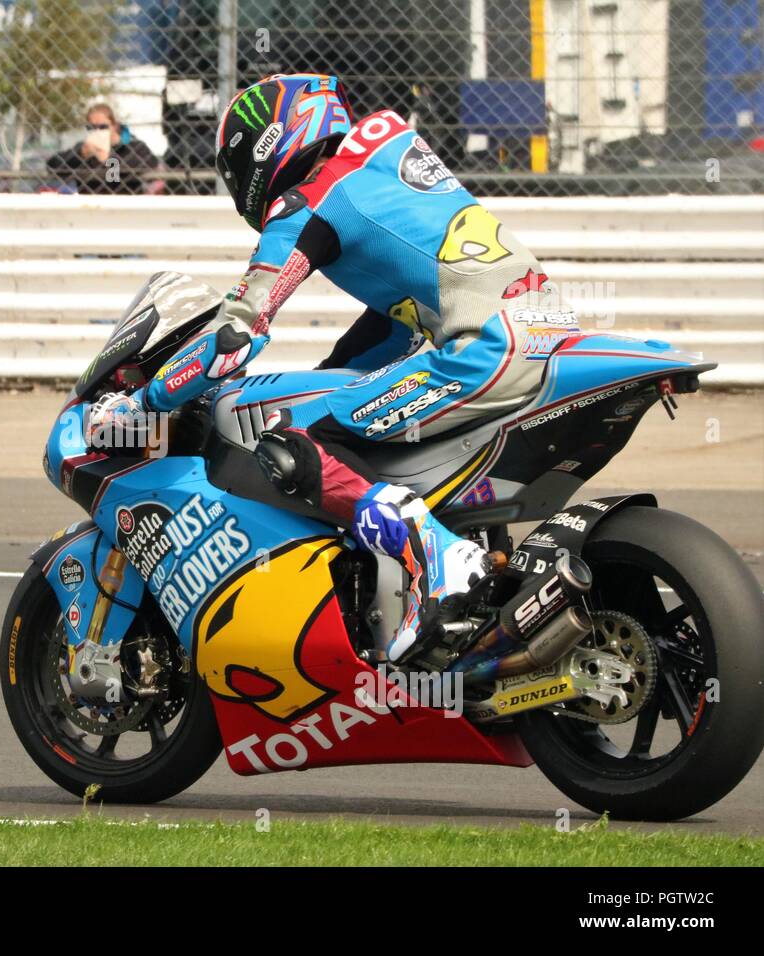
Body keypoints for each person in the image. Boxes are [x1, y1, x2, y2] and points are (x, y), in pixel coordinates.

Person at [93, 73, 578, 663]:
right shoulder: (383, 154)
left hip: (487, 352)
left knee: (285, 435)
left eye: (236, 164)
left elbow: (232, 336)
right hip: (546, 337)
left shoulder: (310, 200)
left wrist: (141, 406)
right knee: (340, 417)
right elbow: (395, 324)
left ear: (269, 142)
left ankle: (440, 558)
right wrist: (326, 376)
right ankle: (487, 592)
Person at [46, 103, 160, 194]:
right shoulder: (85, 148)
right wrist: (81, 154)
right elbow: (52, 164)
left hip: (125, 208)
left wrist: (109, 160)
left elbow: (149, 164)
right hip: (91, 210)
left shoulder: (133, 146)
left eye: (103, 126)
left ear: (115, 125)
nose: (97, 131)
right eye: (92, 127)